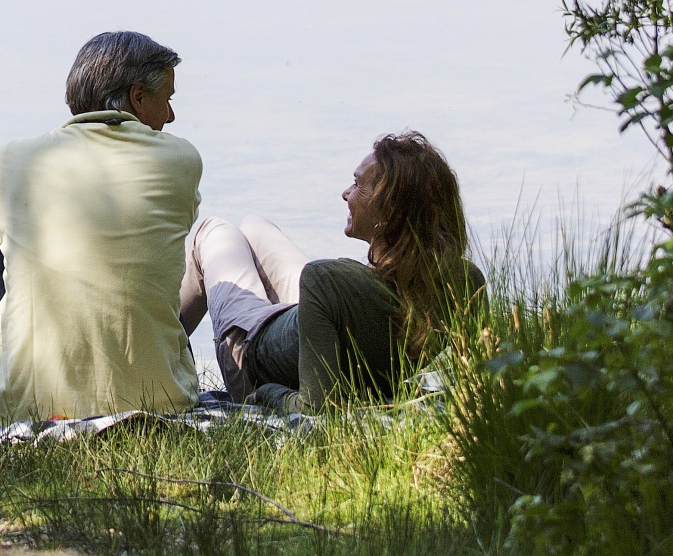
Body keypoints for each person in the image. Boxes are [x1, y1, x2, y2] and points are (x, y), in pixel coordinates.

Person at [0, 31, 202, 423]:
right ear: (137, 97)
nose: (171, 116)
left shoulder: (12, 162)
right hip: (164, 399)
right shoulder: (182, 160)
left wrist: (16, 220)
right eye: (167, 100)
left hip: (35, 409)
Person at [178, 131, 484, 412]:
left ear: (387, 212)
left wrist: (269, 392)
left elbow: (315, 406)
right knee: (253, 226)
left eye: (357, 184)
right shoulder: (467, 282)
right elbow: (469, 379)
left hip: (251, 359)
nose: (345, 193)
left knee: (213, 231)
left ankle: (164, 369)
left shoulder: (327, 280)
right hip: (306, 327)